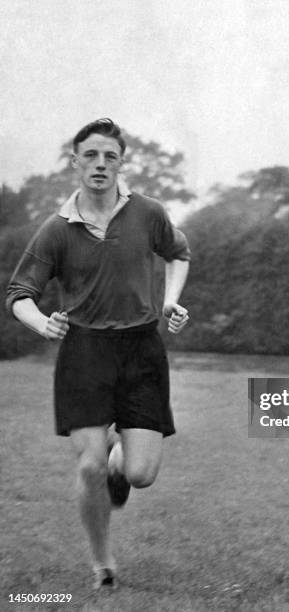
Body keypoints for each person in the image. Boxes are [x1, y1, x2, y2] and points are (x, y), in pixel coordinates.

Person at [6, 118, 191, 590]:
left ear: (121, 164)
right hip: (84, 351)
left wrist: (170, 300)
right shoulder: (57, 229)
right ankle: (102, 562)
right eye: (91, 155)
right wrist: (41, 322)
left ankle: (118, 461)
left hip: (142, 350)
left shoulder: (148, 213)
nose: (101, 165)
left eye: (110, 156)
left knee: (141, 474)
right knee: (87, 465)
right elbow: (19, 293)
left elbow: (179, 252)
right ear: (76, 163)